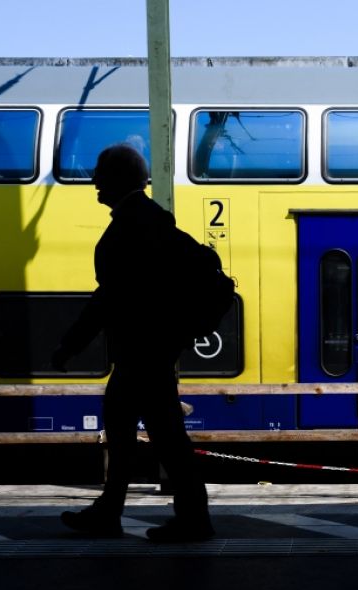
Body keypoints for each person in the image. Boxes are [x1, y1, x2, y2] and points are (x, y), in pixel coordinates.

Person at [53, 143, 214, 543]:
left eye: (100, 175)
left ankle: (187, 519)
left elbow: (108, 298)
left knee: (157, 437)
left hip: (141, 354)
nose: (93, 183)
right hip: (151, 352)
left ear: (117, 180)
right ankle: (123, 512)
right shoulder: (152, 220)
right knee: (143, 435)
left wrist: (70, 346)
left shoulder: (130, 227)